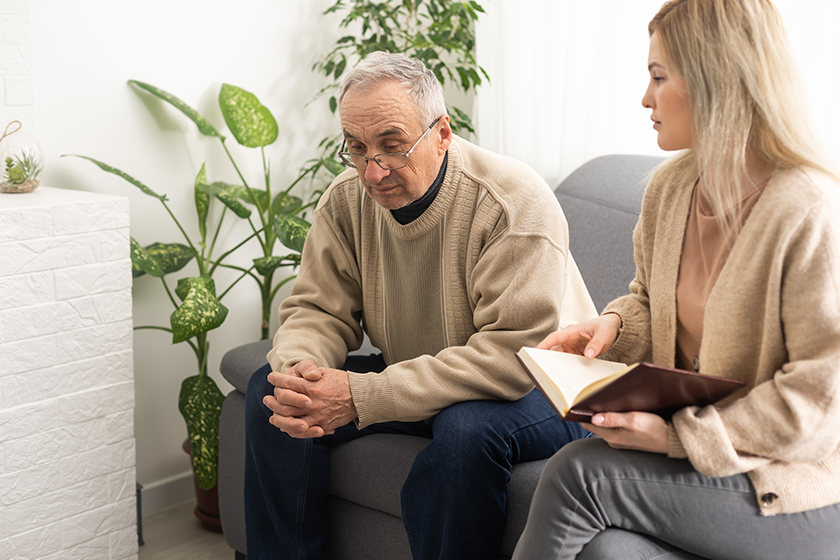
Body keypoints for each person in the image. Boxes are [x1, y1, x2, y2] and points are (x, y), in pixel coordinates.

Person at [512, 1, 840, 559]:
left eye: (659, 77)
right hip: (710, 467)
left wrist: (679, 436)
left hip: (796, 485)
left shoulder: (808, 210)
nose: (645, 98)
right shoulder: (670, 189)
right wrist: (611, 328)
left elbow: (821, 402)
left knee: (578, 472)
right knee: (607, 553)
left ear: (717, 79)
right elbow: (649, 300)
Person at [243, 51, 597, 559]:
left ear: (443, 132)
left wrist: (364, 396)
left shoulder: (511, 202)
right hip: (427, 374)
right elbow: (318, 311)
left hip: (548, 386)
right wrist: (302, 373)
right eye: (357, 149)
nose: (373, 170)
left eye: (391, 146)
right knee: (271, 391)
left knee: (465, 432)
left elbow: (510, 358)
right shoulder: (346, 201)